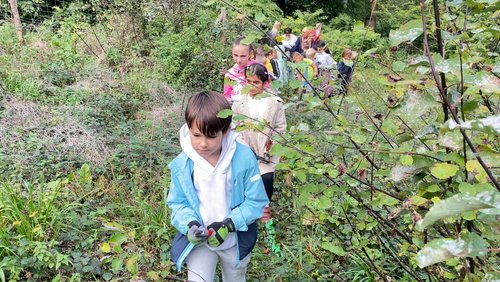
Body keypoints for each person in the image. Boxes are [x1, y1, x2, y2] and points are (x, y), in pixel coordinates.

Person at [167, 91, 269, 281]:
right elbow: (177, 203)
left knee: (235, 278)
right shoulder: (182, 165)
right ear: (188, 128)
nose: (203, 144)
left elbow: (256, 201)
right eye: (196, 135)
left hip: (234, 241)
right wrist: (190, 224)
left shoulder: (244, 158)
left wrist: (229, 224)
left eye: (211, 136)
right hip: (200, 243)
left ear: (226, 130)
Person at [232, 63, 286, 221]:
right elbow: (235, 128)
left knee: (266, 177)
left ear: (264, 82)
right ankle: (246, 207)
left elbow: (280, 127)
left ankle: (264, 209)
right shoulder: (239, 102)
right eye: (249, 81)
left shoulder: (274, 102)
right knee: (247, 178)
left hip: (266, 149)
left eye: (256, 82)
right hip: (246, 148)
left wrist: (272, 145)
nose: (252, 86)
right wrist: (244, 148)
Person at [224, 36, 255, 102]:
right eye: (235, 55)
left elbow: (268, 90)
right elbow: (227, 96)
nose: (238, 60)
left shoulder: (258, 69)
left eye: (242, 56)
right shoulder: (229, 74)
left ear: (250, 54)